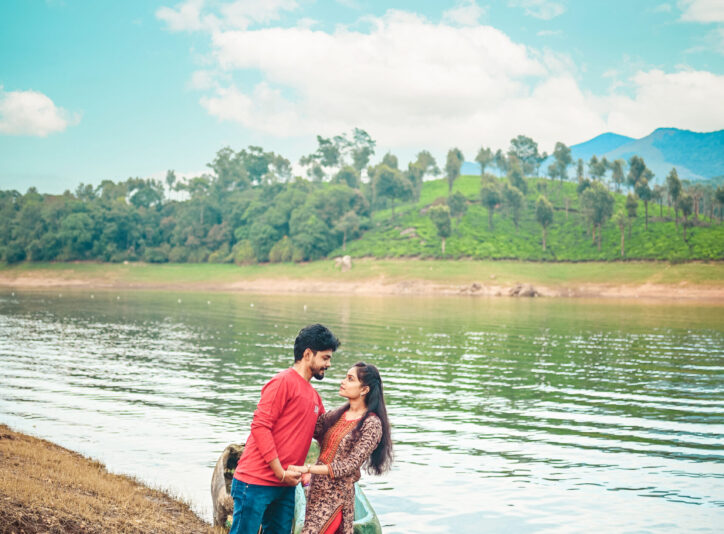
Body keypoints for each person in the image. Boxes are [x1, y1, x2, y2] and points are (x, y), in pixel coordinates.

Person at [229, 324, 340, 534]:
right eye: (325, 358)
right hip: (255, 482)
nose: (329, 364)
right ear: (308, 354)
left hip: (286, 486)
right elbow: (260, 427)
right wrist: (280, 472)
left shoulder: (314, 397)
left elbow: (326, 435)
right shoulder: (282, 382)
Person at [288, 362, 393, 534]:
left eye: (350, 379)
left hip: (336, 497)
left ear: (364, 390)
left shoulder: (372, 424)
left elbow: (349, 466)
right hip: (316, 491)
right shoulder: (339, 414)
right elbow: (312, 427)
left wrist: (306, 468)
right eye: (345, 377)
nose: (343, 381)